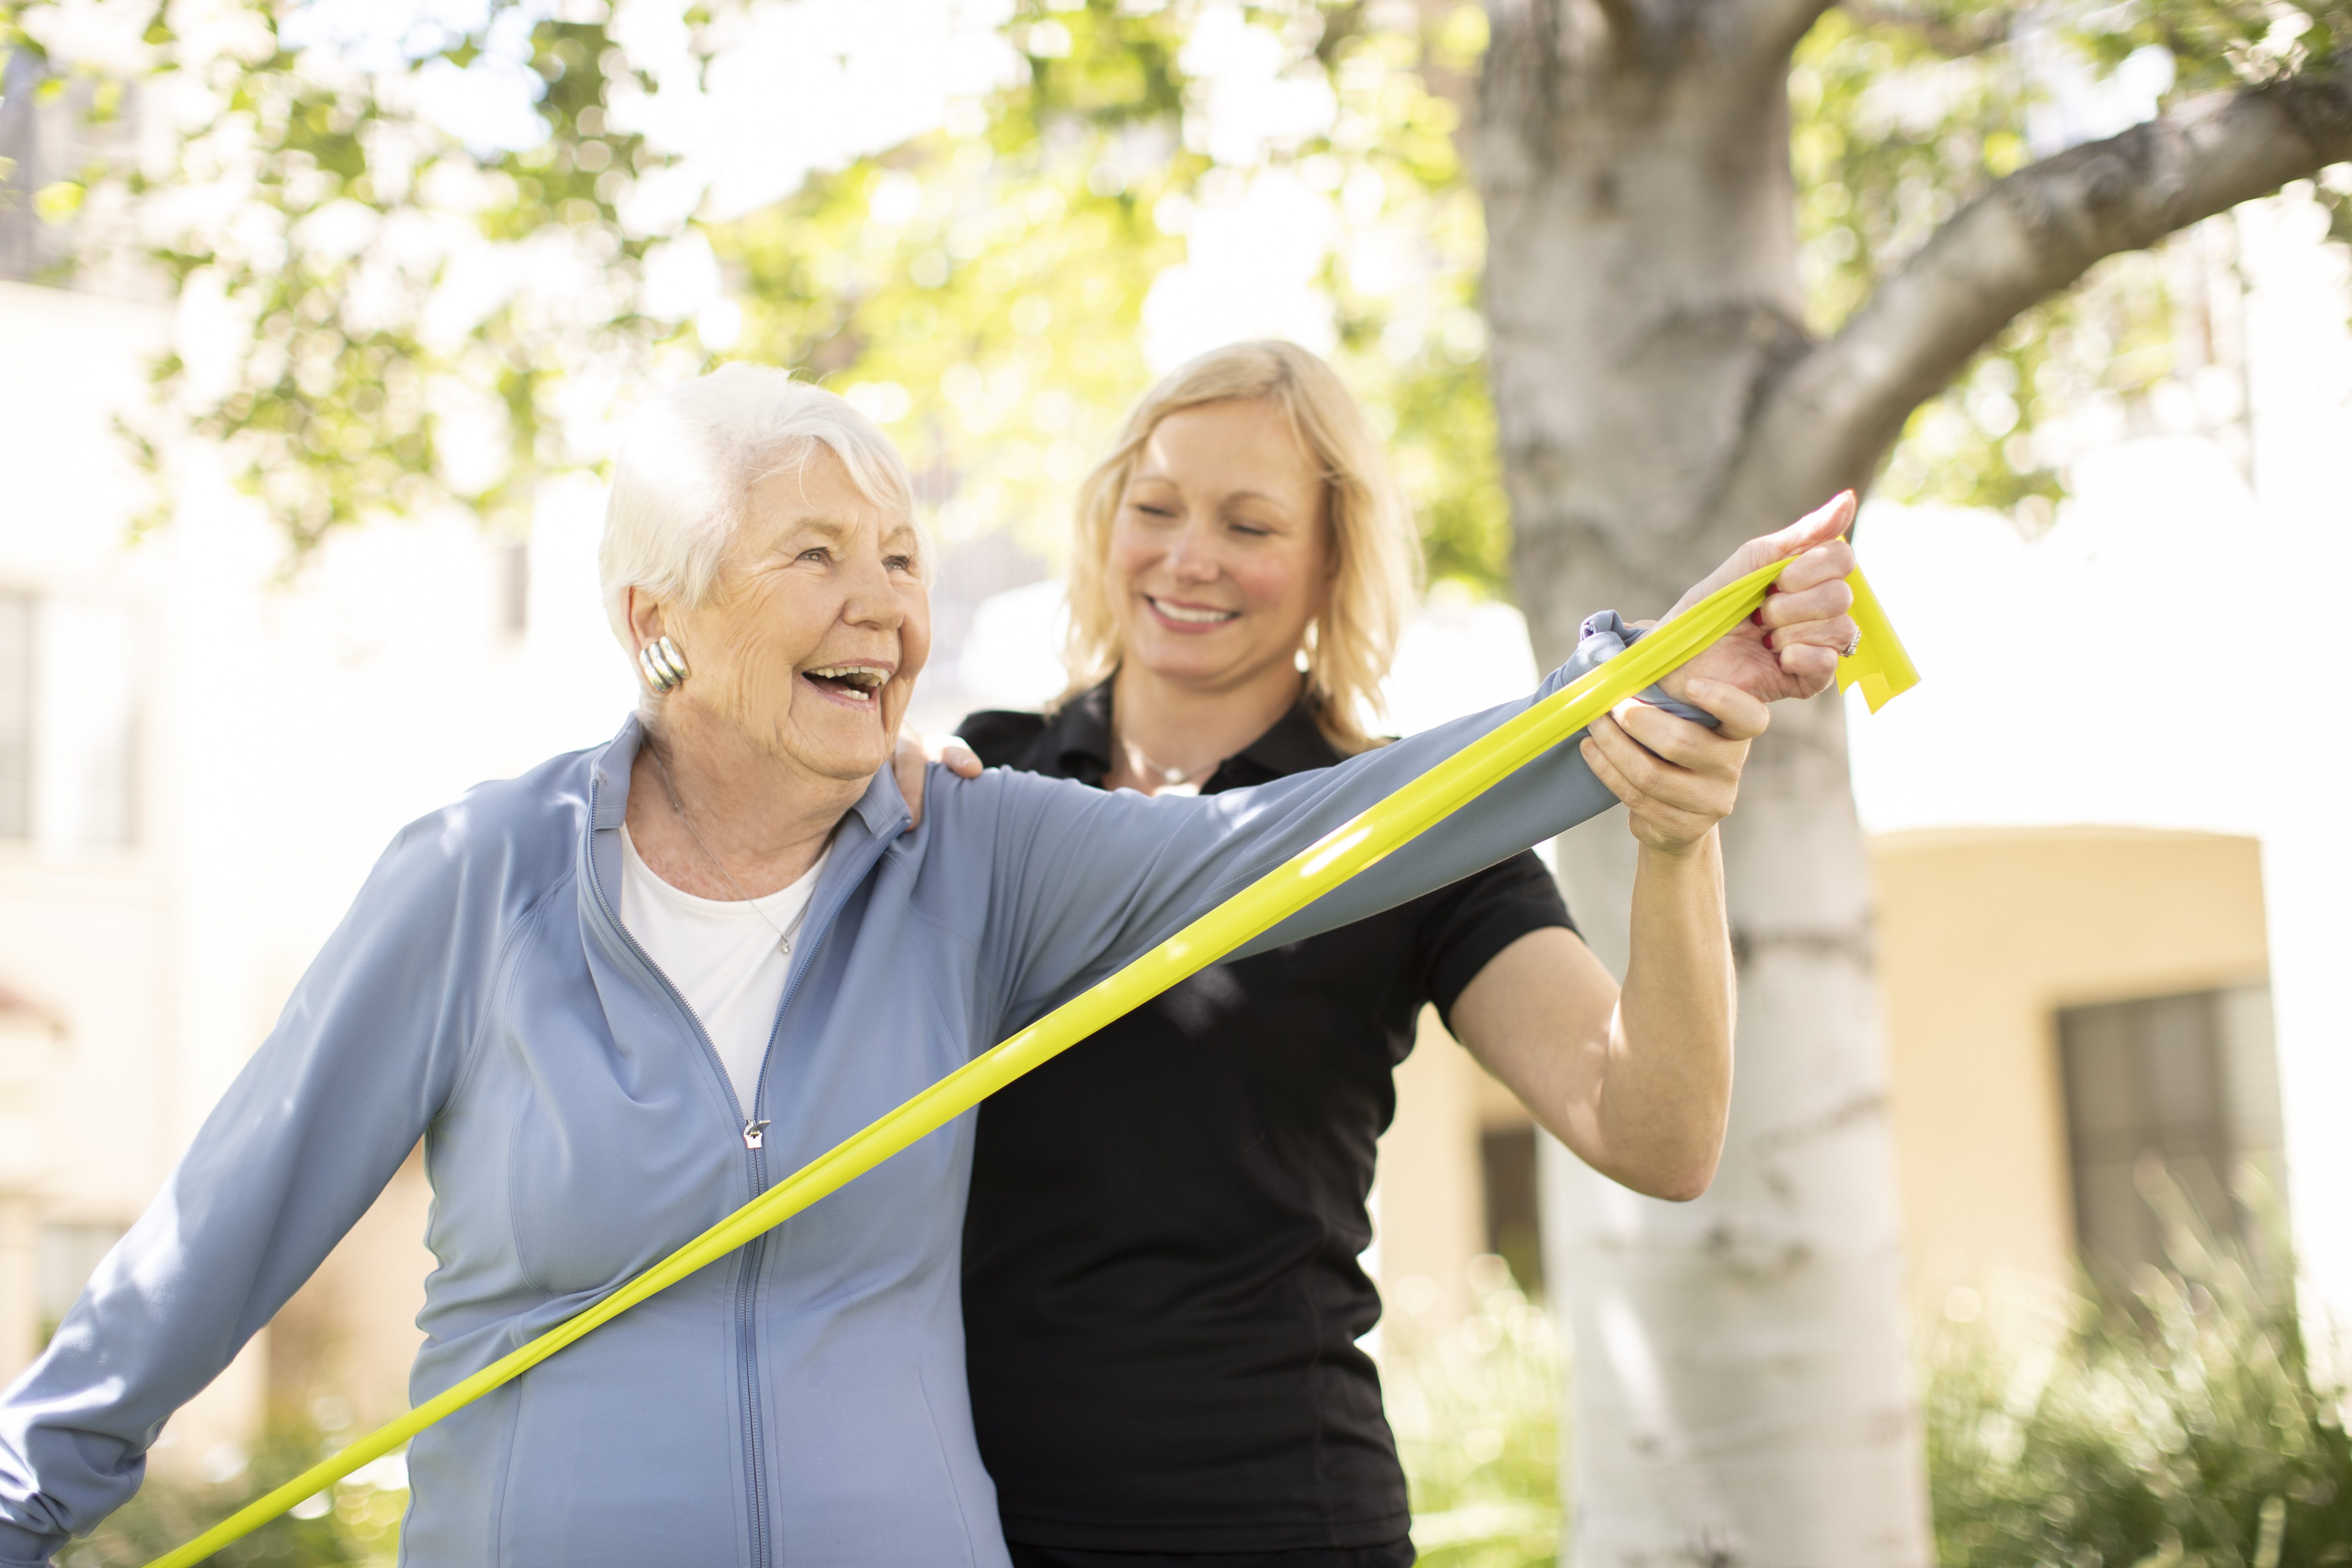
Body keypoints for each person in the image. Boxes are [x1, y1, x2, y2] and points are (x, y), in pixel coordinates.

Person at [0, 364, 1855, 1568]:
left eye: (898, 555)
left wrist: (1666, 691)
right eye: (816, 555)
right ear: (658, 626)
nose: (886, 603)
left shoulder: (987, 845)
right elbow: (223, 1231)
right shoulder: (535, 868)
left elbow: (1320, 850)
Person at [916, 342, 1855, 1568]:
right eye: (1156, 509)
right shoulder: (983, 785)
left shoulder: (1420, 832)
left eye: (1248, 525)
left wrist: (1678, 844)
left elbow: (1657, 1134)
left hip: (1271, 1525)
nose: (1189, 557)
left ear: (1327, 565)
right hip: (963, 1520)